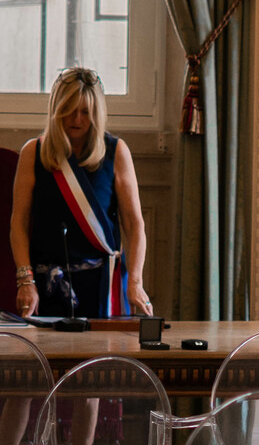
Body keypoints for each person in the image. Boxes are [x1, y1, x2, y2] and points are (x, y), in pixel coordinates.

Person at [9, 66, 152, 320]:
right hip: (46, 287)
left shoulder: (116, 152)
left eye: (85, 112)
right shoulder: (33, 152)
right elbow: (19, 224)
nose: (77, 120)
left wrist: (136, 282)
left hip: (101, 288)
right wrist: (25, 281)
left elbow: (134, 224)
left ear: (97, 114)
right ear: (56, 109)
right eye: (69, 110)